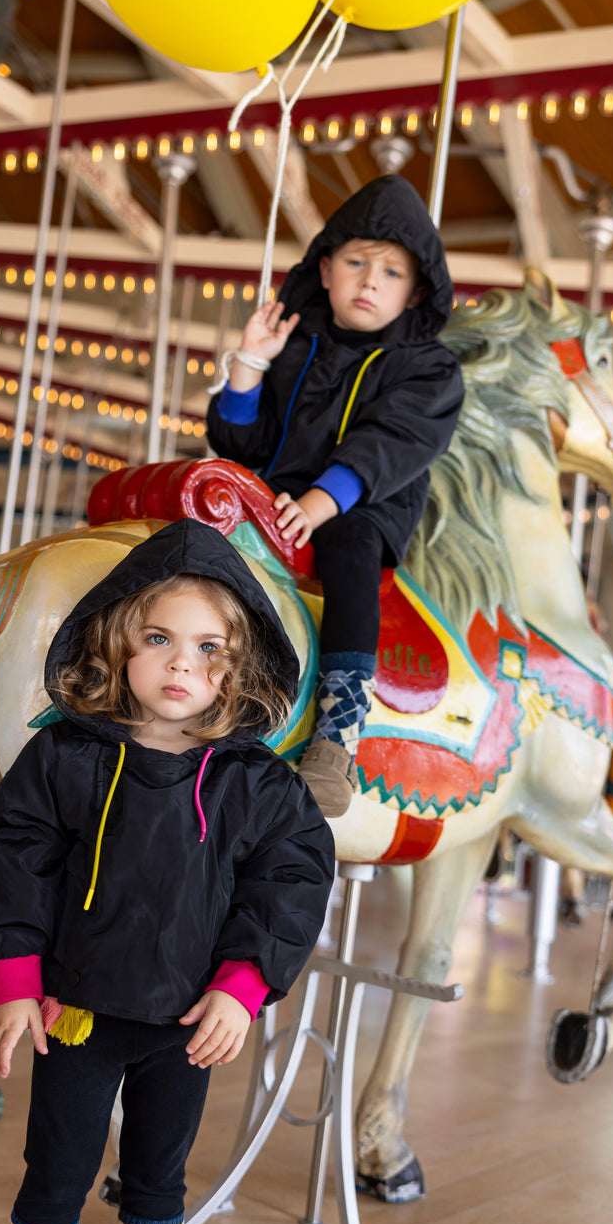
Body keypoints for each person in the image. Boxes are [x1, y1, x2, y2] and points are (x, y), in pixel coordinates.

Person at [0, 519, 335, 1224]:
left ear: (238, 665)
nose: (182, 665)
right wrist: (12, 980)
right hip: (79, 1013)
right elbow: (12, 852)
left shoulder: (256, 782)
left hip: (187, 1023)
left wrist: (245, 984)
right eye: (159, 638)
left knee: (159, 1179)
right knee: (55, 1171)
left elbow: (289, 876)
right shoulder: (67, 757)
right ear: (118, 639)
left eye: (209, 648)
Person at [206, 174, 463, 817]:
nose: (369, 281)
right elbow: (242, 443)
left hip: (365, 504)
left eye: (391, 272)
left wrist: (324, 500)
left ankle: (336, 733)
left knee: (351, 552)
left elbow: (394, 440)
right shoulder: (297, 345)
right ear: (325, 271)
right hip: (271, 495)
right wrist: (250, 365)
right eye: (355, 263)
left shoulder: (427, 368)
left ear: (417, 290)